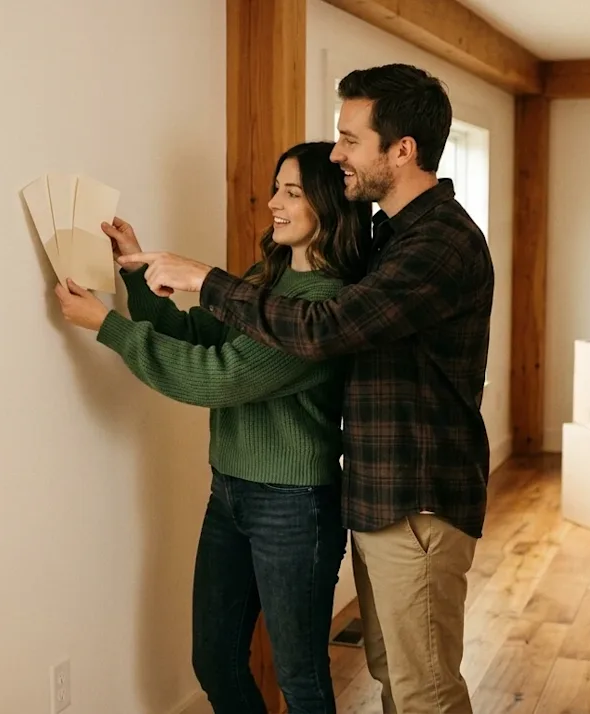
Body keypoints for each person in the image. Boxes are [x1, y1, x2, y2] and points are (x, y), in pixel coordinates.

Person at [118, 64, 495, 714]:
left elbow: (326, 328)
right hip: (380, 496)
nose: (339, 154)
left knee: (423, 693)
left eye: (350, 139)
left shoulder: (439, 243)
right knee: (397, 676)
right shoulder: (387, 236)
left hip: (419, 500)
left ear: (401, 150)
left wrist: (205, 280)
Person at [53, 141, 371, 714]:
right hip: (229, 492)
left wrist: (107, 326)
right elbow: (196, 335)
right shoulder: (267, 278)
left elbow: (216, 377)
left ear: (328, 205)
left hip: (295, 507)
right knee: (215, 661)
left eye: (292, 192)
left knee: (300, 680)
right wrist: (135, 274)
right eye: (276, 188)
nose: (273, 203)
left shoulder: (325, 307)